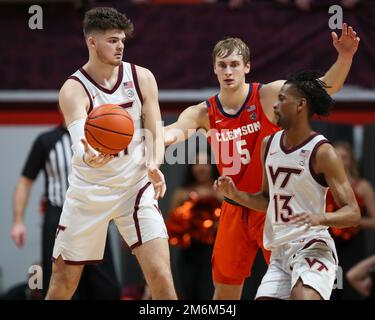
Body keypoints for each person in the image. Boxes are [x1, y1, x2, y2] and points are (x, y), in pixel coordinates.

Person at [164, 25, 360, 299]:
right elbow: (171, 132)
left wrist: (345, 57)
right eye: (223, 65)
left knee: (296, 287)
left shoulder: (269, 95)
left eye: (234, 64)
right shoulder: (202, 112)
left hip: (272, 206)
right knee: (225, 290)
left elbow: (324, 88)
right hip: (234, 208)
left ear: (247, 67)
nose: (229, 71)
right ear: (214, 69)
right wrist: (139, 140)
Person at [46, 7, 176, 300]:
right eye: (112, 40)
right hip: (89, 191)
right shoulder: (73, 88)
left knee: (161, 277)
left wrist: (154, 163)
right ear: (91, 42)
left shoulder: (142, 78)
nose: (120, 46)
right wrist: (87, 153)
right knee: (62, 284)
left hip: (135, 187)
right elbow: (78, 137)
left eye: (122, 40)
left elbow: (155, 130)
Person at [215, 71, 361, 300]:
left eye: (282, 99)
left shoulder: (322, 152)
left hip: (313, 247)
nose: (275, 105)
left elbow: (353, 213)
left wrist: (321, 218)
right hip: (280, 254)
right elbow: (266, 200)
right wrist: (237, 194)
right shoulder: (268, 144)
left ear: (301, 105)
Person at [11, 124, 121, 299]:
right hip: (58, 216)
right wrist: (18, 221)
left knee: (106, 287)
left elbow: (115, 179)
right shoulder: (46, 141)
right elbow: (25, 181)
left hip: (93, 216)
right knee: (58, 283)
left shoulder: (99, 136)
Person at [167, 150, 221, 299]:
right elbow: (171, 224)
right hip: (188, 254)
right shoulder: (181, 194)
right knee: (189, 292)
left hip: (215, 253)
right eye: (197, 163)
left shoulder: (223, 193)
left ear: (212, 166)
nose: (201, 167)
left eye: (205, 163)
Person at [327, 141, 375, 299]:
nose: (340, 160)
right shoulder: (325, 186)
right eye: (337, 156)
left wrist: (351, 220)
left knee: (350, 291)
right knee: (331, 289)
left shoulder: (362, 187)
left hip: (354, 248)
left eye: (344, 157)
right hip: (330, 247)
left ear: (351, 160)